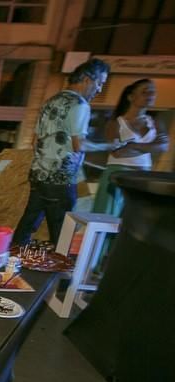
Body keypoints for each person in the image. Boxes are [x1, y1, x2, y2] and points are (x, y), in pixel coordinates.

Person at [12, 58, 125, 245]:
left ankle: (11, 259)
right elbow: (79, 145)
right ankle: (60, 271)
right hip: (60, 179)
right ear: (88, 79)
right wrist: (108, 146)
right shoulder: (80, 105)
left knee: (28, 222)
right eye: (99, 83)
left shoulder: (50, 101)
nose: (99, 89)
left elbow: (35, 141)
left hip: (38, 174)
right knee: (61, 232)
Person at [92, 79, 169, 216]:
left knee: (132, 220)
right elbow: (117, 152)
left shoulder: (155, 122)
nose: (150, 95)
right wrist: (150, 147)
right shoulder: (116, 123)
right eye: (145, 92)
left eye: (153, 92)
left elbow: (163, 146)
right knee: (107, 218)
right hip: (118, 174)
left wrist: (133, 145)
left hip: (143, 176)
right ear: (131, 97)